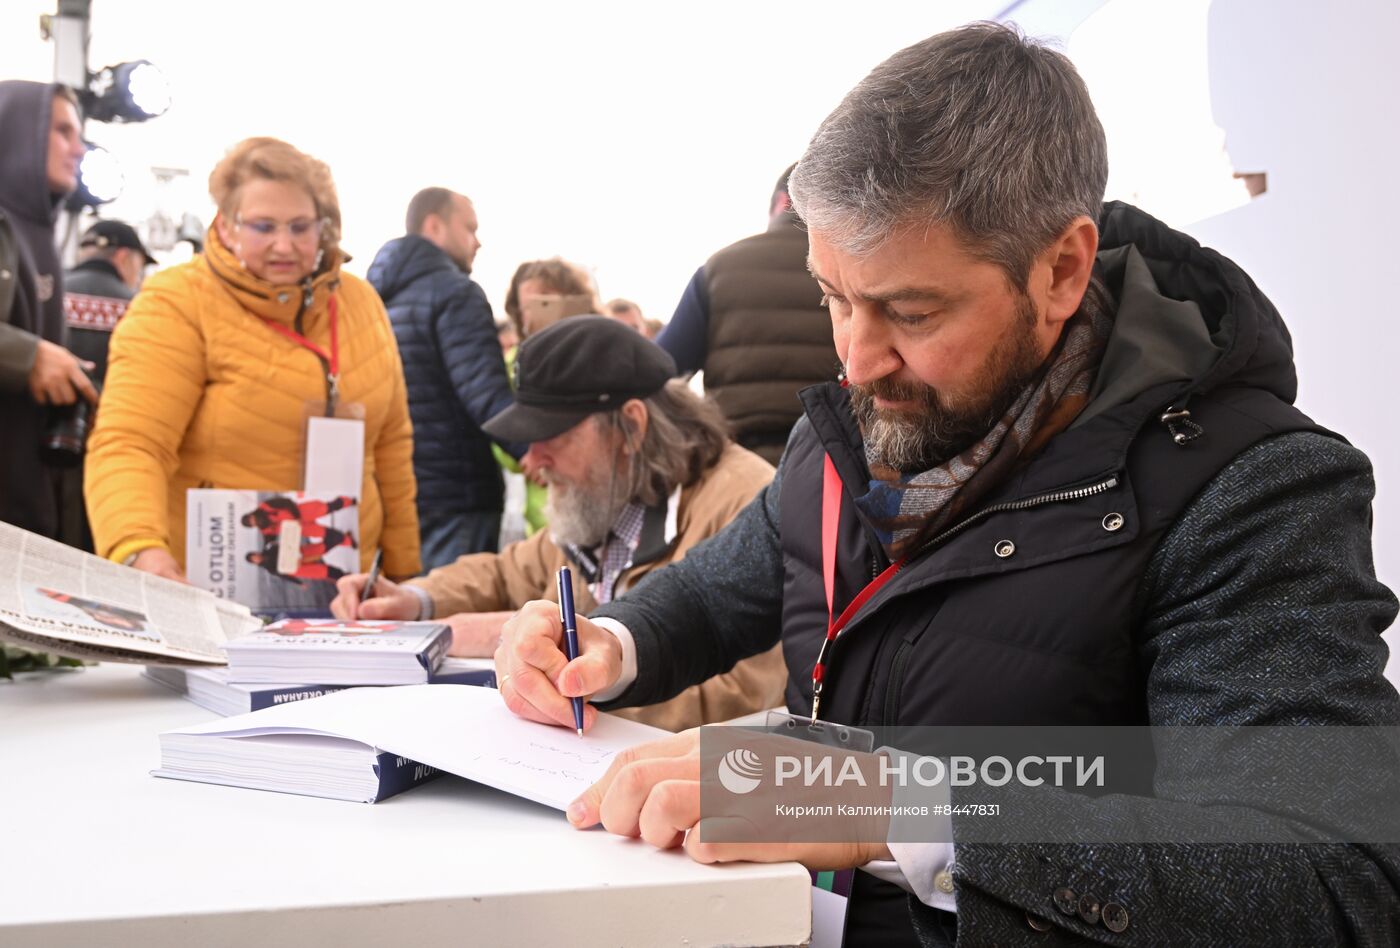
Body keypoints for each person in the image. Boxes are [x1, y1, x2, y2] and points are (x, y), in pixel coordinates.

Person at [495, 24, 1400, 946]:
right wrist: (606, 645)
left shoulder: (1249, 492)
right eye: (834, 298)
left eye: (911, 311)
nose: (854, 359)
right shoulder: (841, 435)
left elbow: (1324, 874)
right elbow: (731, 582)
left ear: (1060, 270)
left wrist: (897, 803)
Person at [332, 316, 787, 732]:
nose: (532, 459)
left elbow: (744, 696)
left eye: (554, 436)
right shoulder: (604, 494)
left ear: (630, 426)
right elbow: (505, 572)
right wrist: (414, 601)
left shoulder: (743, 502)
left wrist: (568, 679)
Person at [85, 137, 421, 584]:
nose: (284, 245)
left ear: (323, 227)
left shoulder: (361, 303)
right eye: (263, 226)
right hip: (208, 588)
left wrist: (405, 577)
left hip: (345, 593)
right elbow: (131, 442)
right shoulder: (177, 300)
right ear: (226, 226)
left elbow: (391, 449)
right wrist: (140, 552)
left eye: (300, 227)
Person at [368, 188, 524, 568]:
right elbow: (484, 393)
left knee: (404, 614)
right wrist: (536, 450)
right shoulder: (456, 293)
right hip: (459, 496)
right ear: (434, 225)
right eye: (470, 228)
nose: (478, 241)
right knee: (452, 614)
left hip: (397, 494)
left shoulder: (374, 298)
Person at [655, 164, 838, 465]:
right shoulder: (852, 267)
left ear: (779, 204)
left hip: (739, 463)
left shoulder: (718, 269)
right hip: (833, 461)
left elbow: (660, 369)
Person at [0, 81, 96, 539]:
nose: (79, 149)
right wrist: (29, 357)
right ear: (18, 131)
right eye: (62, 131)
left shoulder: (41, 232)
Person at [64, 219, 157, 386]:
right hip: (112, 406)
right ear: (123, 257)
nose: (138, 274)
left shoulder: (49, 293)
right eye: (140, 264)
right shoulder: (138, 306)